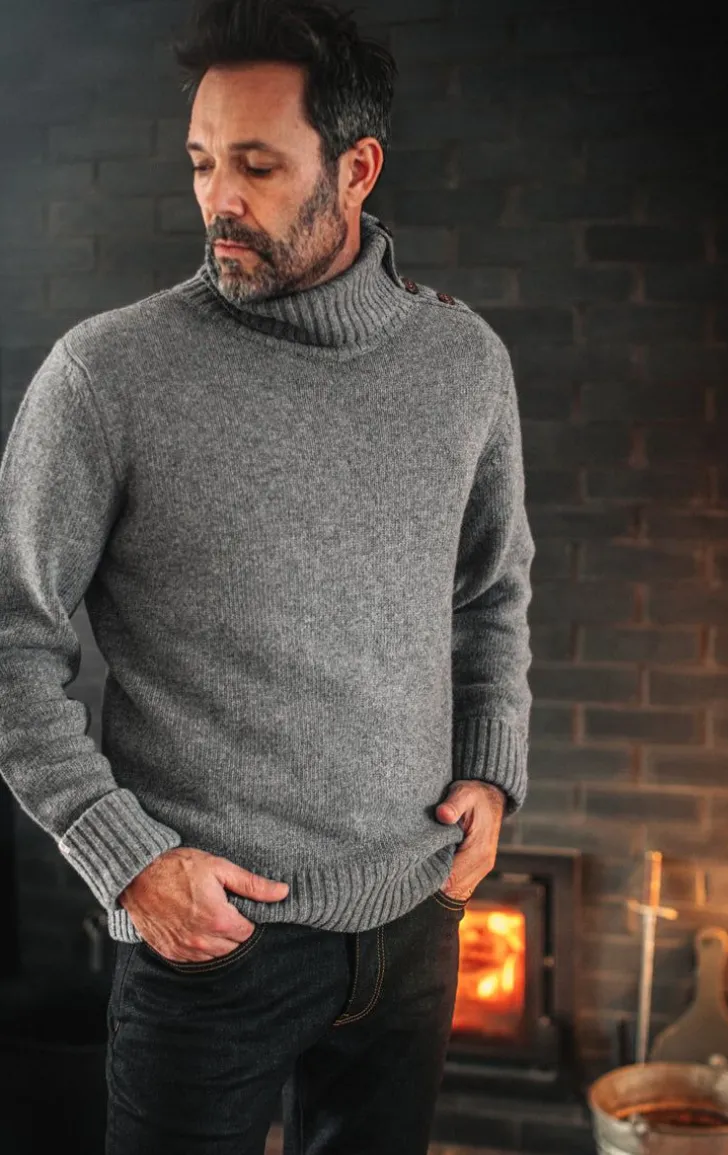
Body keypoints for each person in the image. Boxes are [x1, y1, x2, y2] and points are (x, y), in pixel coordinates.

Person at [0, 1, 535, 1151]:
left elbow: (490, 596)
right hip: (207, 948)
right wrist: (123, 858)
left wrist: (491, 774)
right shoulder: (106, 375)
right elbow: (9, 638)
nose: (218, 200)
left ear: (356, 168)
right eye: (201, 162)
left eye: (256, 165)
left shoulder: (462, 365)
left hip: (414, 925)